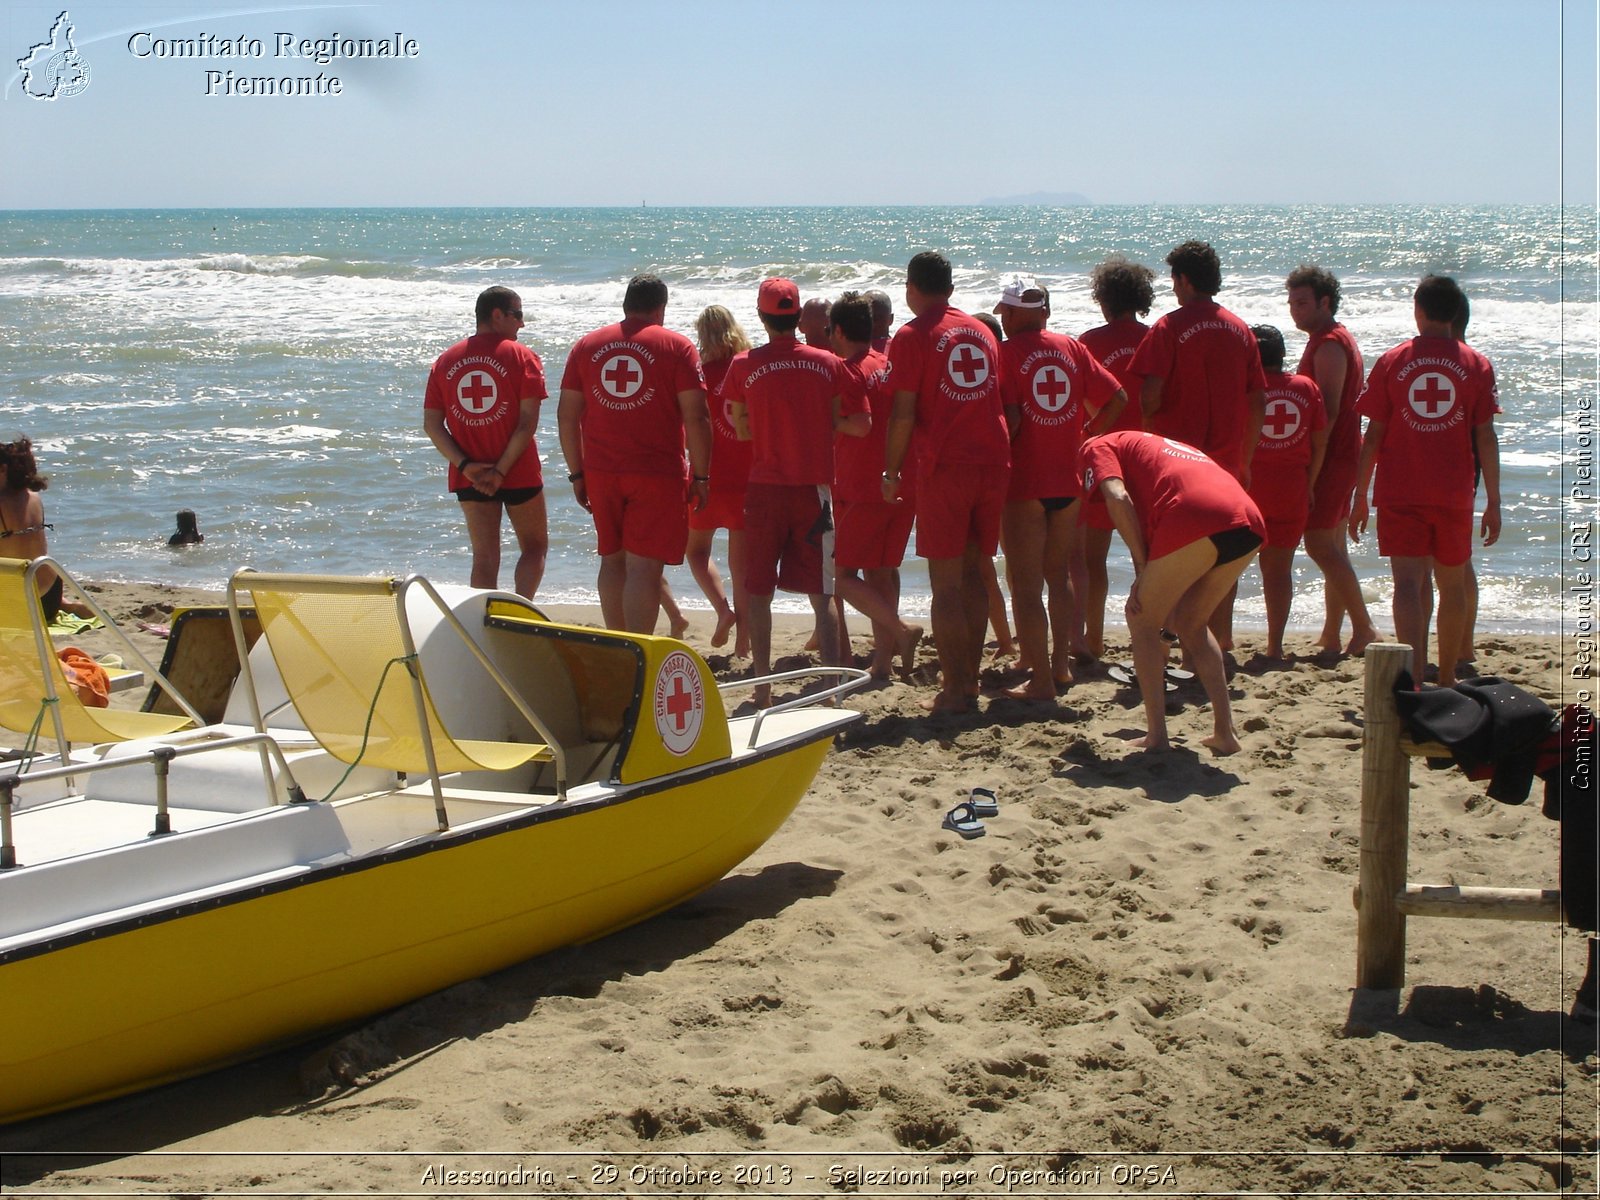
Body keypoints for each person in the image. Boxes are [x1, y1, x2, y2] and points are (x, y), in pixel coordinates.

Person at [1349, 275, 1501, 689]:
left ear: (1417, 310)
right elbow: (1486, 436)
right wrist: (1494, 501)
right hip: (1453, 492)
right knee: (1451, 586)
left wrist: (1359, 494)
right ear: (1455, 315)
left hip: (1400, 490)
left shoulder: (1393, 360)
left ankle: (1414, 677)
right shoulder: (1476, 364)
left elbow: (1373, 435)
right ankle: (1448, 678)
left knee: (1407, 584)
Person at [723, 278, 868, 706]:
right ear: (799, 317)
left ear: (762, 317)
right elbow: (861, 423)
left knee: (759, 589)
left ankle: (763, 687)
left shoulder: (744, 365)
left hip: (765, 488)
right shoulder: (827, 362)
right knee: (822, 592)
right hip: (813, 490)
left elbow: (740, 427)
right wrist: (824, 424)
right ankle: (828, 690)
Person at [882, 251, 1015, 714]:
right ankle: (970, 681)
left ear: (911, 288)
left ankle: (955, 689)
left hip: (946, 466)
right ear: (951, 288)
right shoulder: (981, 331)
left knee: (947, 584)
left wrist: (891, 471)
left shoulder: (912, 335)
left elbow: (902, 412)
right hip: (994, 461)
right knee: (977, 574)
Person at [1079, 431, 1265, 754]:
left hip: (1197, 511)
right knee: (1192, 623)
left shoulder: (1096, 445)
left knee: (1140, 618)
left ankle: (1157, 736)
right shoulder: (1152, 446)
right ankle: (1226, 733)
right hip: (1247, 519)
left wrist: (1139, 565)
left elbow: (1118, 497)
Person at [994, 274, 1126, 698]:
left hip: (1025, 483)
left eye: (1006, 312)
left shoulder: (1006, 353)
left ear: (1013, 313)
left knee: (1027, 584)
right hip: (1068, 481)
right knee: (1060, 574)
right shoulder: (1071, 348)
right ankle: (1060, 665)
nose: (1005, 319)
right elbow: (1117, 399)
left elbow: (1011, 419)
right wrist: (1086, 434)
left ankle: (1042, 682)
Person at [557, 274, 712, 635]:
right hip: (656, 472)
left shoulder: (586, 346)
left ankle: (616, 644)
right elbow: (698, 416)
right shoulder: (677, 347)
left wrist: (577, 473)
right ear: (661, 308)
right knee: (644, 568)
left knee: (612, 562)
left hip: (601, 471)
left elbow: (567, 415)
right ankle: (638, 647)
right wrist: (702, 476)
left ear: (626, 304)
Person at [1133, 241, 1266, 651]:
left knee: (1171, 559)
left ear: (1184, 280)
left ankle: (1174, 642)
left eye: (1174, 279)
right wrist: (1244, 459)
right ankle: (1217, 642)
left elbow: (1150, 394)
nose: (1173, 288)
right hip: (1225, 463)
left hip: (1179, 465)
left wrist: (1149, 434)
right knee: (1220, 563)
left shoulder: (1168, 328)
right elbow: (1258, 399)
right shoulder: (1240, 329)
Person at [423, 286, 548, 598]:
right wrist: (501, 471)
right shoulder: (523, 357)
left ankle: (481, 623)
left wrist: (466, 466)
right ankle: (522, 613)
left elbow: (432, 425)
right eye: (517, 315)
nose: (521, 324)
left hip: (471, 475)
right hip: (518, 470)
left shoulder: (445, 361)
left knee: (484, 557)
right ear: (497, 315)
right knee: (535, 547)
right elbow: (526, 423)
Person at [827, 291, 924, 680]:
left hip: (864, 485)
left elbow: (861, 424)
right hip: (901, 480)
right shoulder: (888, 364)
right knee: (881, 574)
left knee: (843, 576)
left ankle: (902, 630)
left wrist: (827, 420)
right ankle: (882, 663)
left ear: (837, 331)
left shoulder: (849, 370)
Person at [1286, 264, 1380, 656]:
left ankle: (1365, 627)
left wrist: (1312, 465)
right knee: (1334, 546)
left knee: (1320, 544)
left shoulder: (1329, 343)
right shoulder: (1326, 338)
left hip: (1334, 456)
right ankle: (1332, 633)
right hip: (1341, 454)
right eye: (1291, 302)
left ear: (1325, 302)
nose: (1295, 310)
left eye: (1303, 302)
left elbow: (1329, 409)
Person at [1079, 255, 1156, 659]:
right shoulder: (1156, 338)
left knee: (1094, 557)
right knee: (1154, 555)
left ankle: (1093, 637)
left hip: (1105, 456)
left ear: (1103, 298)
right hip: (1150, 457)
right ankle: (1157, 634)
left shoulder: (1090, 342)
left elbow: (1079, 402)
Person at [1245, 325, 1328, 660]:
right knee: (1278, 572)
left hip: (1247, 492)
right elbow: (1320, 440)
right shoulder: (1305, 388)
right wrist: (1309, 484)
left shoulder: (1245, 390)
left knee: (1226, 571)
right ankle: (1275, 647)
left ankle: (1222, 642)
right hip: (1291, 491)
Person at [687, 304, 754, 655]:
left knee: (696, 551)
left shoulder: (699, 374)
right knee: (741, 567)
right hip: (747, 478)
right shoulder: (750, 369)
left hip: (707, 477)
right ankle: (744, 644)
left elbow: (690, 426)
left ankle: (723, 609)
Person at [865, 289, 895, 355]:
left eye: (878, 318)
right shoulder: (900, 347)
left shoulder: (849, 350)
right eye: (867, 318)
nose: (873, 323)